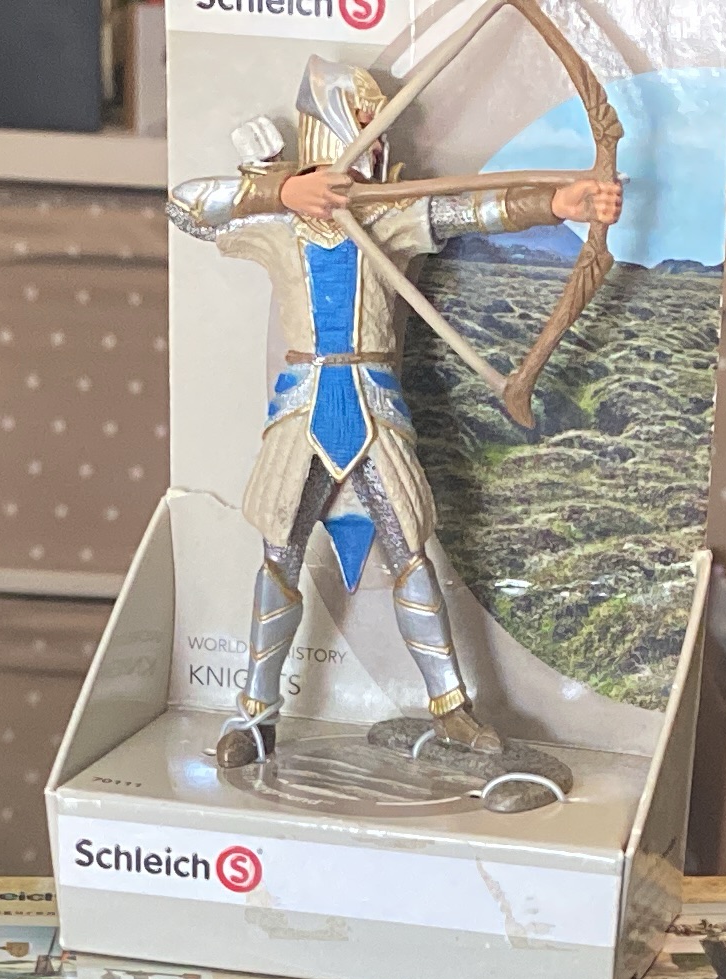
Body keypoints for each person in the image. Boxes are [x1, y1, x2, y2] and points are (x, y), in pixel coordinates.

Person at [166, 58, 624, 770]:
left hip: (375, 406)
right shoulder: (279, 219)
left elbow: (472, 210)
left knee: (410, 556)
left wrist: (562, 203)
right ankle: (254, 716)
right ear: (331, 132)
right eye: (363, 124)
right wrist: (283, 189)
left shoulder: (391, 216)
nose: (376, 142)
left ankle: (452, 709)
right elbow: (184, 206)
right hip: (304, 407)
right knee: (279, 557)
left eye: (380, 129)